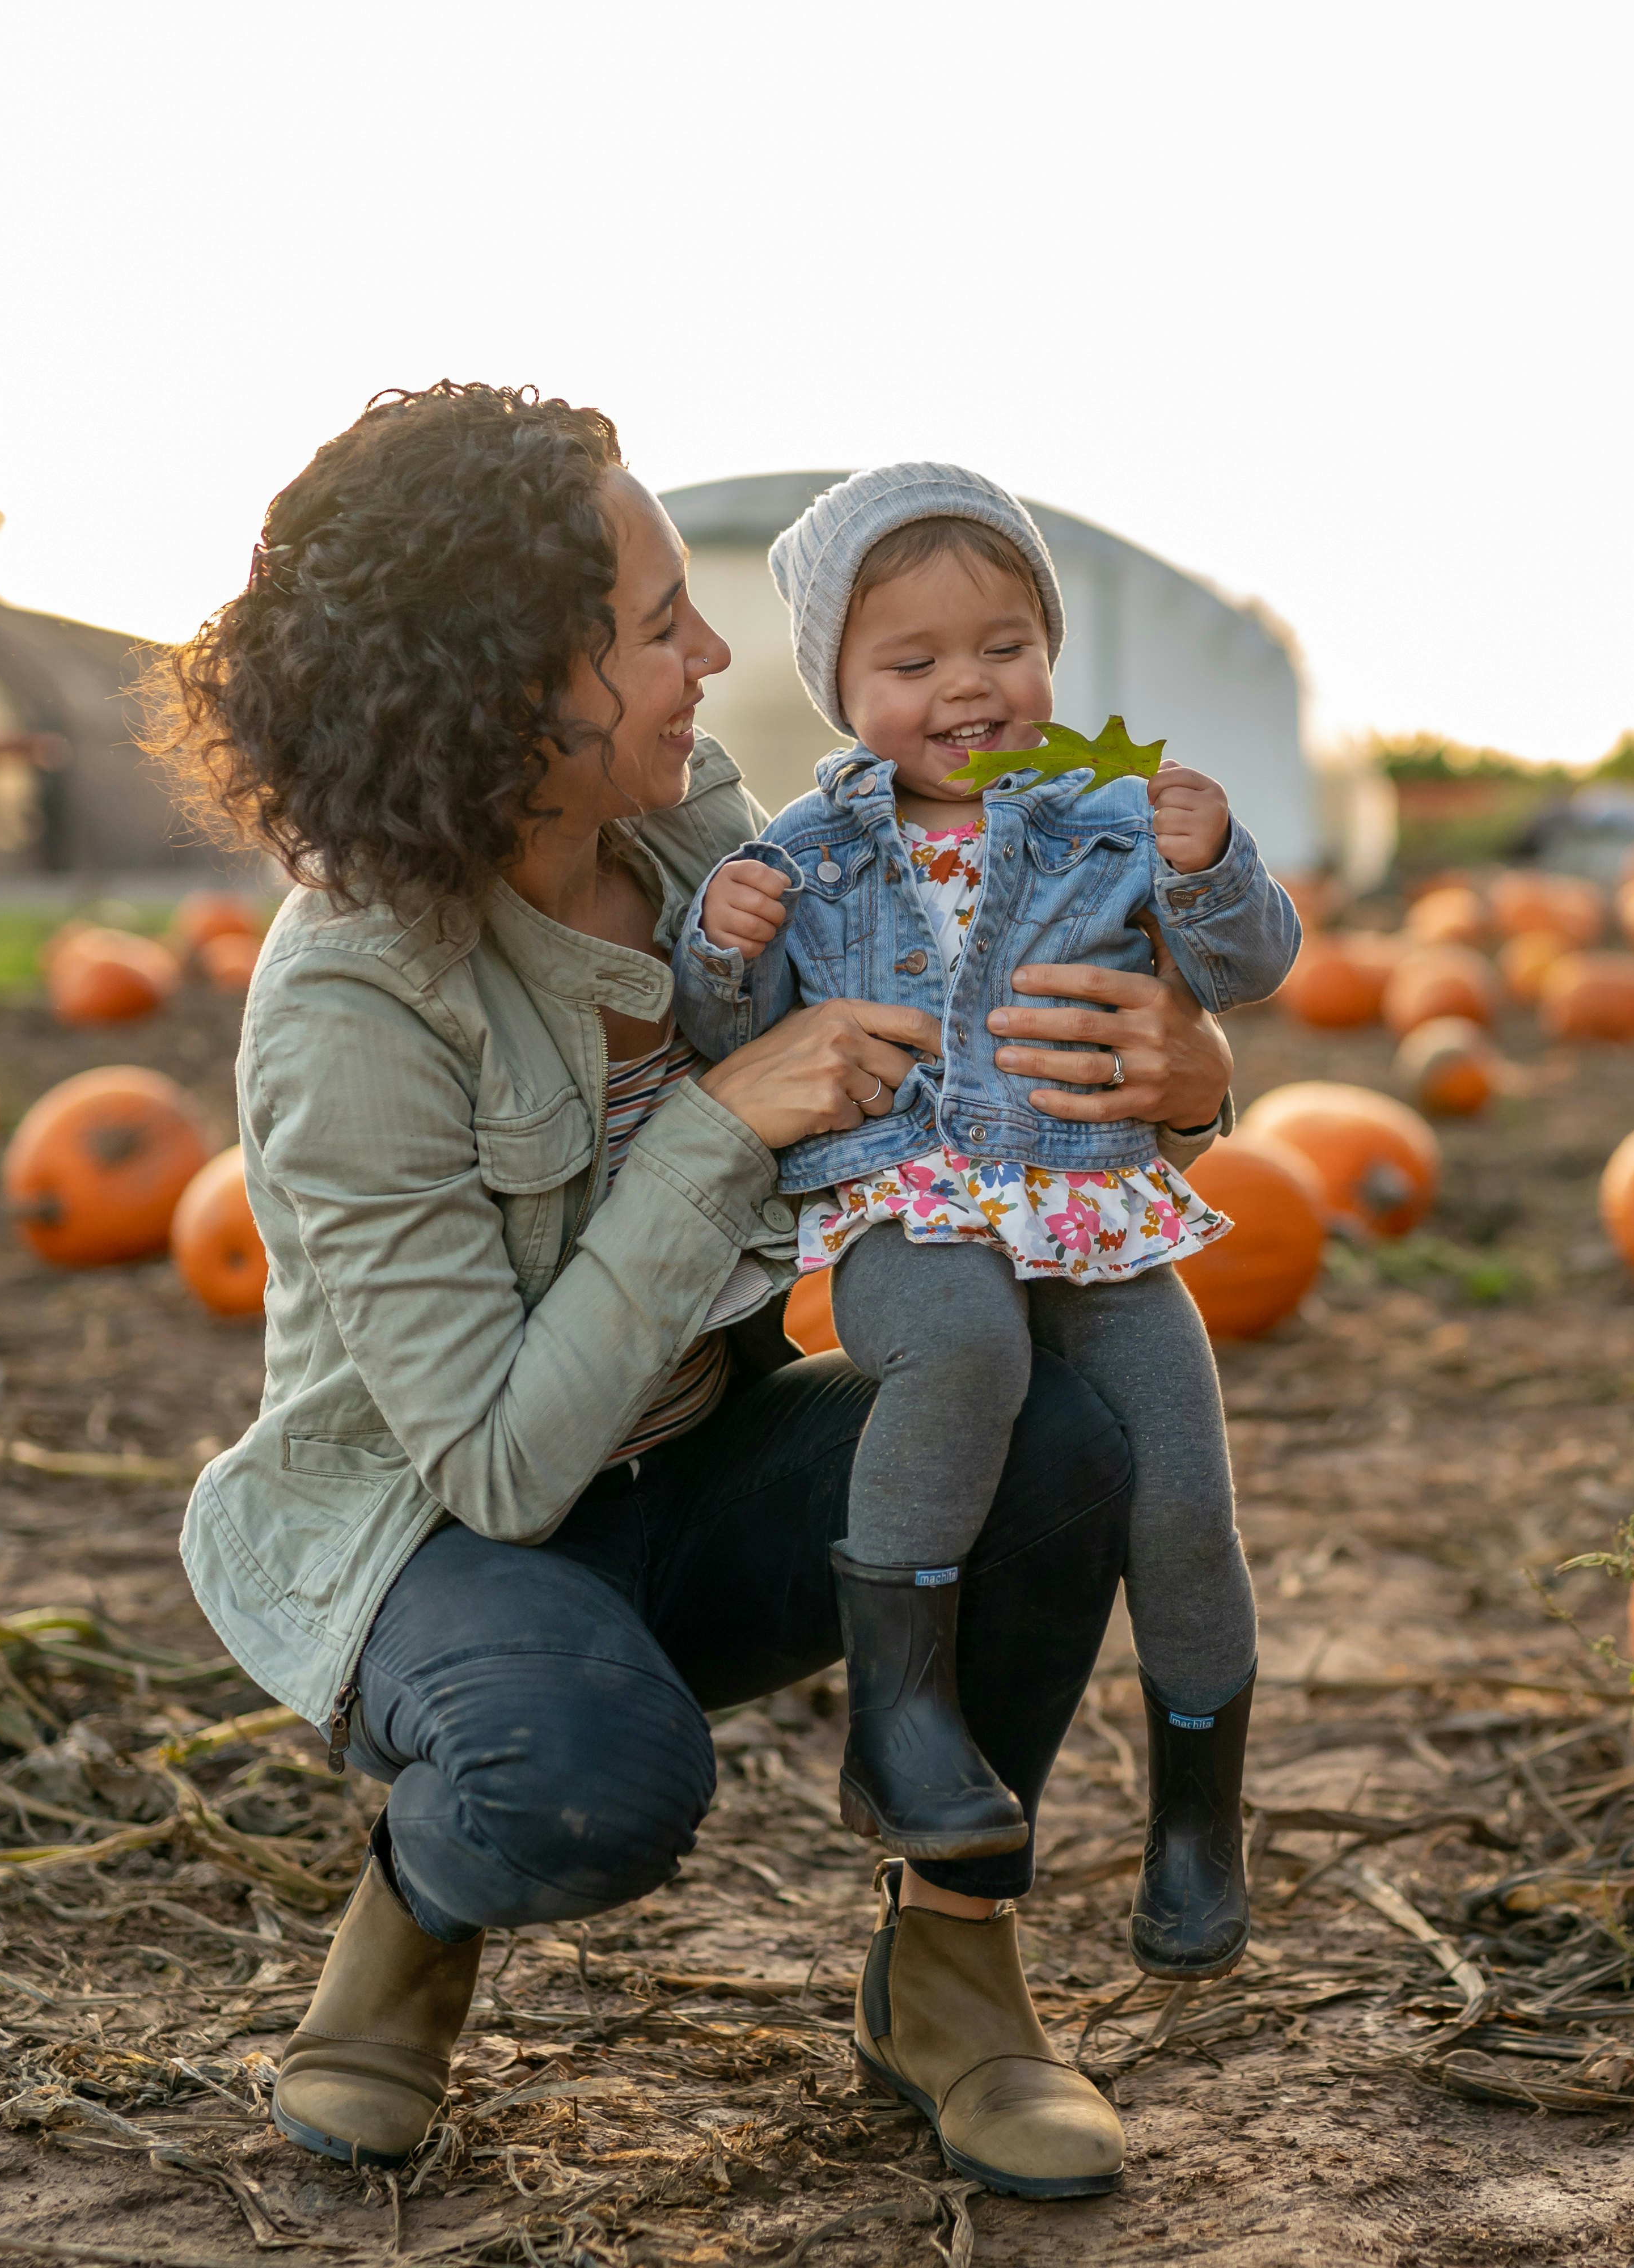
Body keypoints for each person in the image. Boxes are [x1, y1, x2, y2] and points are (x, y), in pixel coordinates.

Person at [143, 385, 1241, 2201]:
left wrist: (1185, 1082)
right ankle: (414, 1914)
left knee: (1072, 1431)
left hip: (695, 1465)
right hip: (445, 1541)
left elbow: (980, 1025)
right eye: (661, 630)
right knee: (583, 1787)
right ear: (513, 691)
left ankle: (956, 1979)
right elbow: (496, 1465)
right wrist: (722, 1119)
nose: (715, 656)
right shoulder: (353, 1003)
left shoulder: (692, 826)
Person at [671, 464, 1296, 1984]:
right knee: (956, 1359)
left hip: (1095, 1202)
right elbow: (719, 1036)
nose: (969, 688)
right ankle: (903, 1721)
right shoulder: (804, 856)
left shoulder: (1107, 817)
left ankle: (1200, 1822)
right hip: (915, 1210)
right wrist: (720, 943)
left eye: (1003, 646)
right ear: (842, 689)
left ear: (1051, 654)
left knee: (1184, 1500)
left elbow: (1246, 968)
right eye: (914, 663)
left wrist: (1214, 866)